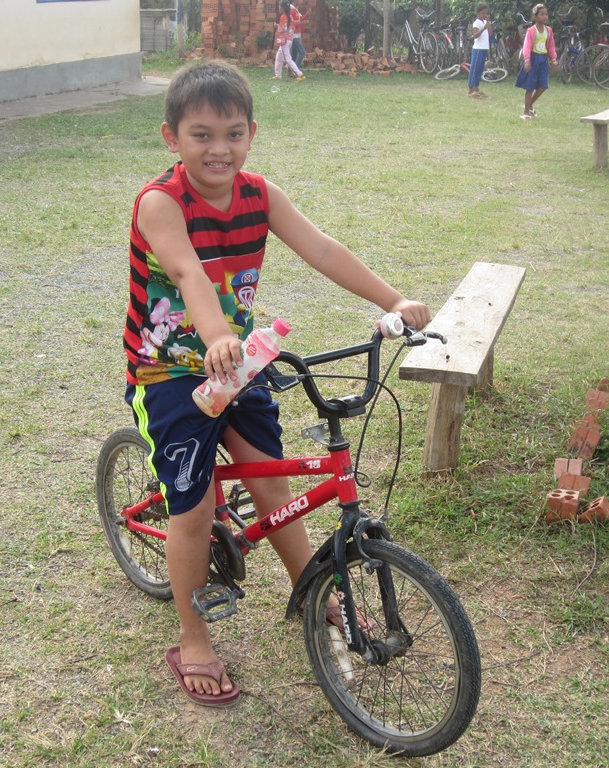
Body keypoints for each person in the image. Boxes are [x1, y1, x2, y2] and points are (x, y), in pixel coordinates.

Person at [122, 60, 431, 707]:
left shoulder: (260, 195)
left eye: (232, 133)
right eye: (201, 134)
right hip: (172, 371)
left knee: (274, 485)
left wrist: (396, 301)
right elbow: (188, 275)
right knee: (196, 508)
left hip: (238, 362)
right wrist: (213, 338)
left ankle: (312, 592)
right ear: (170, 137)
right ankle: (193, 636)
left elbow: (322, 249)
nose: (219, 148)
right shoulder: (161, 203)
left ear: (252, 134)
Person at [514, 4, 557, 119]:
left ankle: (529, 105)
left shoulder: (549, 31)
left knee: (543, 85)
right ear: (535, 16)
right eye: (541, 14)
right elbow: (527, 46)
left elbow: (551, 46)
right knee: (530, 86)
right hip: (533, 58)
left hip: (543, 59)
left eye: (546, 14)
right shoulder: (531, 31)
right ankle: (526, 112)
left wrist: (553, 59)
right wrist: (527, 60)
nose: (544, 17)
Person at [274, 1, 305, 81]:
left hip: (284, 41)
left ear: (283, 8)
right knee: (278, 57)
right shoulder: (290, 17)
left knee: (288, 59)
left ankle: (299, 74)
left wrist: (276, 26)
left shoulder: (283, 17)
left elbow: (282, 29)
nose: (279, 8)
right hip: (289, 40)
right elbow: (292, 27)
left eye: (280, 7)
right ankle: (278, 75)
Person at [468, 4, 493, 98]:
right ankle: (471, 89)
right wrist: (484, 28)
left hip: (484, 48)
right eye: (483, 13)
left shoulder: (485, 22)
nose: (484, 15)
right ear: (478, 13)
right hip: (478, 48)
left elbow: (490, 33)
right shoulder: (477, 23)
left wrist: (488, 23)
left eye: (486, 13)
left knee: (480, 69)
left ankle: (476, 88)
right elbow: (475, 35)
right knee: (474, 69)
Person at [290, 2, 310, 70]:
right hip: (294, 36)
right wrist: (302, 23)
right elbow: (291, 23)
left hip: (296, 35)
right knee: (302, 52)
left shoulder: (295, 9)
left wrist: (307, 14)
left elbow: (300, 19)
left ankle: (290, 71)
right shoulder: (291, 9)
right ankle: (296, 70)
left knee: (294, 55)